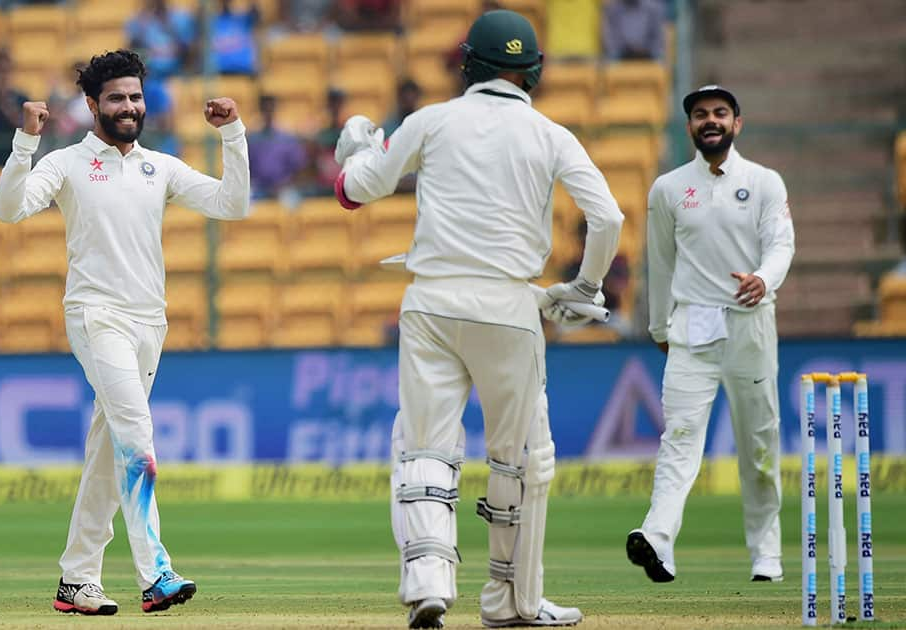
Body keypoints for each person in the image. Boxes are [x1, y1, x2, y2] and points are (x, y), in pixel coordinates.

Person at [334, 10, 624, 628]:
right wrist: (587, 285)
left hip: (432, 301)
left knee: (424, 447)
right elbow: (609, 220)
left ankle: (428, 583)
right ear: (534, 72)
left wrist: (358, 152)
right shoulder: (551, 133)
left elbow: (359, 191)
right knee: (519, 457)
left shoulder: (432, 120)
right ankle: (510, 602)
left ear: (468, 63)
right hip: (510, 306)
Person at [0, 49, 251, 615]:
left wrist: (232, 132)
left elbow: (233, 205)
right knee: (137, 439)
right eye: (116, 98)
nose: (129, 107)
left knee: (108, 456)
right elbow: (9, 210)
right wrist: (23, 144)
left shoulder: (159, 166)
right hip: (95, 315)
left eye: (135, 97)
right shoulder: (65, 164)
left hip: (148, 321)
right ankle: (155, 573)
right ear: (92, 104)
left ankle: (76, 580)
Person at [627, 85, 795, 584]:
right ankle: (657, 539)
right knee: (678, 440)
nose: (711, 121)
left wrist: (763, 279)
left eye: (720, 113)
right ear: (689, 127)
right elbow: (659, 264)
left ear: (736, 123)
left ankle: (766, 553)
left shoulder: (765, 182)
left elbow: (781, 244)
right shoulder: (669, 188)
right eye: (701, 115)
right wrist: (659, 326)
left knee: (759, 450)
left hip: (751, 327)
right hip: (692, 331)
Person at [247, 93, 308, 200]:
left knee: (292, 203)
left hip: (283, 188)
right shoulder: (253, 138)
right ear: (261, 110)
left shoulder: (287, 138)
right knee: (245, 204)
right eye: (265, 109)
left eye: (270, 108)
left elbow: (298, 168)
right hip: (258, 188)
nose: (268, 112)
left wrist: (284, 184)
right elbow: (246, 169)